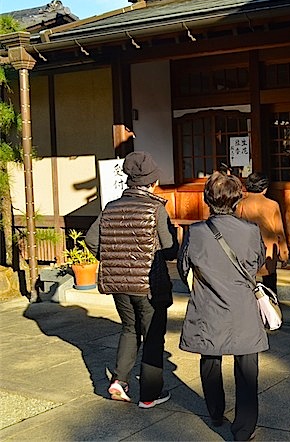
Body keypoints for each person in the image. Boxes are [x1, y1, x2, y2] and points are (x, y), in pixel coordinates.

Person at [178, 171, 267, 441]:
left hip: (209, 305)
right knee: (247, 367)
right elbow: (258, 261)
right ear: (237, 200)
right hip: (242, 306)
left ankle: (216, 412)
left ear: (208, 200)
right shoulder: (251, 231)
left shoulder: (194, 232)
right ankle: (244, 428)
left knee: (210, 358)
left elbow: (184, 268)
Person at [85, 151, 178, 408]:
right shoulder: (155, 208)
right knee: (152, 335)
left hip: (118, 283)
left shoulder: (110, 208)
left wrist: (113, 259)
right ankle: (150, 394)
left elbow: (91, 240)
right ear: (151, 181)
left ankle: (119, 381)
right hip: (148, 285)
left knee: (128, 329)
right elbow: (170, 249)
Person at [235, 172, 289, 295]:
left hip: (246, 248)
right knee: (269, 282)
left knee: (247, 282)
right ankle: (271, 307)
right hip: (268, 248)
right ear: (264, 189)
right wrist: (284, 253)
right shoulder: (272, 205)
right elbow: (279, 231)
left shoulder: (240, 204)